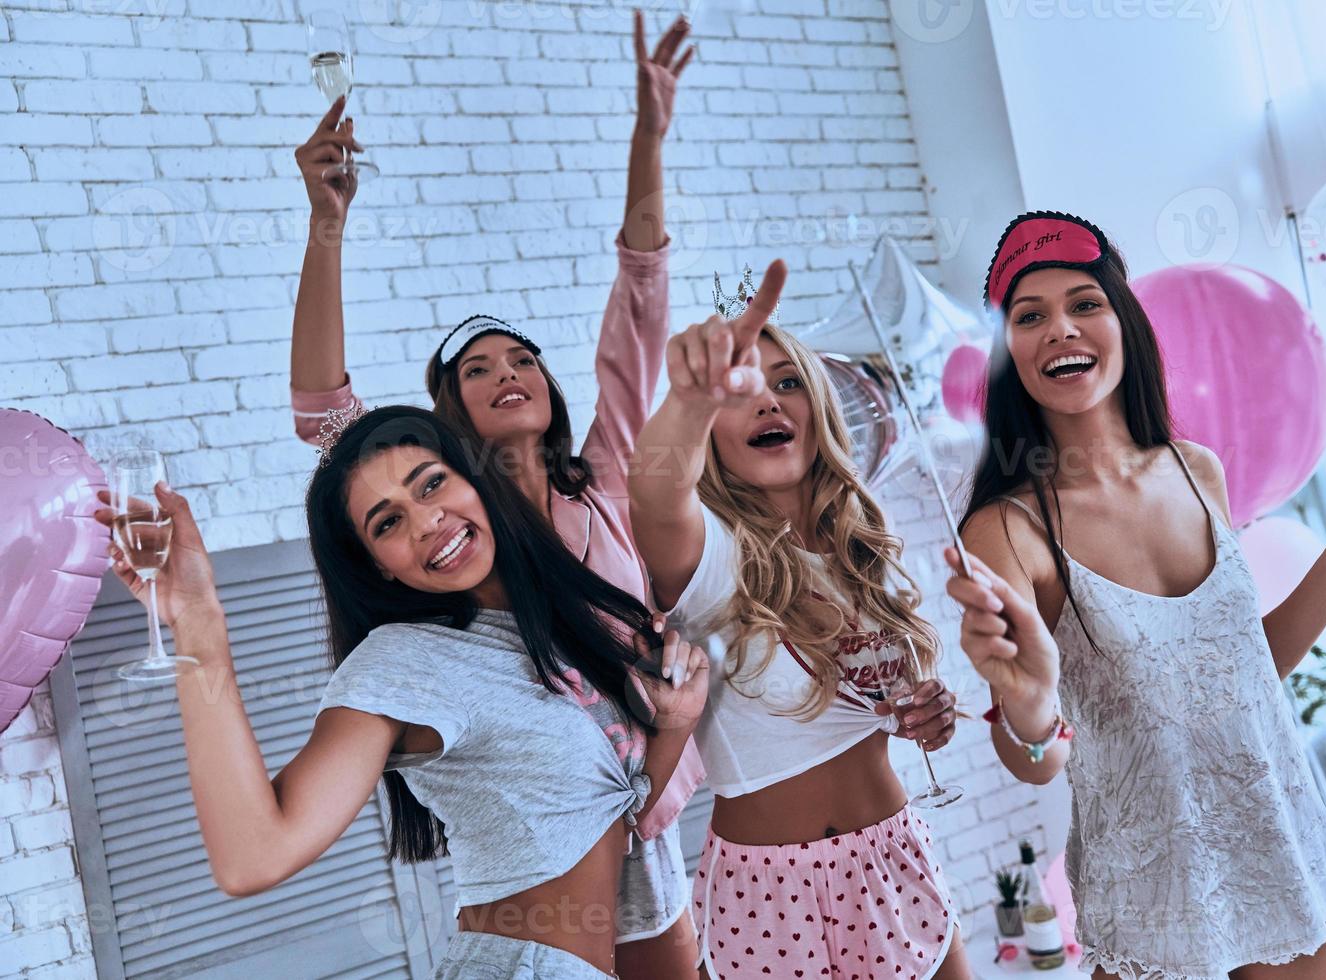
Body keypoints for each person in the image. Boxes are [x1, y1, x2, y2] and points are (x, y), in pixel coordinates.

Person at [287, 13, 705, 974]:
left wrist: (649, 136)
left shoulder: (602, 481)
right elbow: (324, 415)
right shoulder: (446, 515)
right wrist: (327, 226)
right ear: (448, 415)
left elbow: (640, 296)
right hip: (546, 843)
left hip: (650, 802)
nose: (508, 370)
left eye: (524, 358)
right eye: (478, 367)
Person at [950, 210, 1326, 980]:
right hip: (1152, 899)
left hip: (1282, 850)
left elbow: (1243, 673)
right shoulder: (1006, 532)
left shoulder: (1197, 469)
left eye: (1085, 304)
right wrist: (1028, 701)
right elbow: (1033, 759)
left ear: (1123, 321)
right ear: (1009, 355)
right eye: (1030, 317)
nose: (1061, 330)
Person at [96, 405, 709, 978]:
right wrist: (199, 623)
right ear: (378, 563)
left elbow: (608, 815)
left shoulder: (559, 618)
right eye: (388, 521)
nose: (425, 522)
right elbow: (253, 857)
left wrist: (675, 724)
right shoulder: (405, 661)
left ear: (476, 481)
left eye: (432, 484)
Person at [628, 261, 972, 979]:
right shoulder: (707, 554)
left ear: (818, 404)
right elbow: (655, 491)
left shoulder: (858, 550)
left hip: (897, 852)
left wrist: (929, 714)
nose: (767, 401)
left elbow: (878, 712)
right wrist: (690, 398)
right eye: (742, 389)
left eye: (787, 382)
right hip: (772, 892)